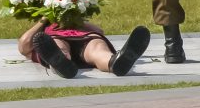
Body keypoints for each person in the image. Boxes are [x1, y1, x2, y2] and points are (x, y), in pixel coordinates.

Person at [19, 19, 150, 79]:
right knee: (58, 45)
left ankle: (115, 62)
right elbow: (24, 44)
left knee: (97, 47)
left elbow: (99, 31)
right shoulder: (43, 30)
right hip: (55, 38)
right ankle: (61, 62)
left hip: (83, 38)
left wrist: (76, 18)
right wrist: (44, 19)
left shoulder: (77, 21)